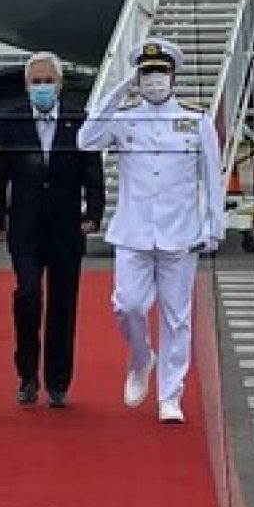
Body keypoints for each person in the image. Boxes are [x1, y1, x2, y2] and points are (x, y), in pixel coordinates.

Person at [77, 38, 224, 424]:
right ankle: (141, 358)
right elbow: (85, 140)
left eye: (160, 72)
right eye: (147, 73)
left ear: (173, 76)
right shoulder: (124, 118)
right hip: (132, 230)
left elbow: (212, 176)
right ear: (137, 78)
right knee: (126, 305)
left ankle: (170, 396)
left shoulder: (196, 120)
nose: (154, 79)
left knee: (177, 317)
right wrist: (118, 90)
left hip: (181, 232)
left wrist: (214, 226)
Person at [0, 51, 104, 409]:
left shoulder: (77, 120)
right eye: (35, 82)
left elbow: (93, 171)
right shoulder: (10, 123)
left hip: (66, 227)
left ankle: (57, 382)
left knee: (62, 304)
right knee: (27, 295)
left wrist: (93, 212)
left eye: (47, 81)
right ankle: (26, 375)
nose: (42, 87)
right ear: (26, 86)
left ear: (59, 84)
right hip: (25, 227)